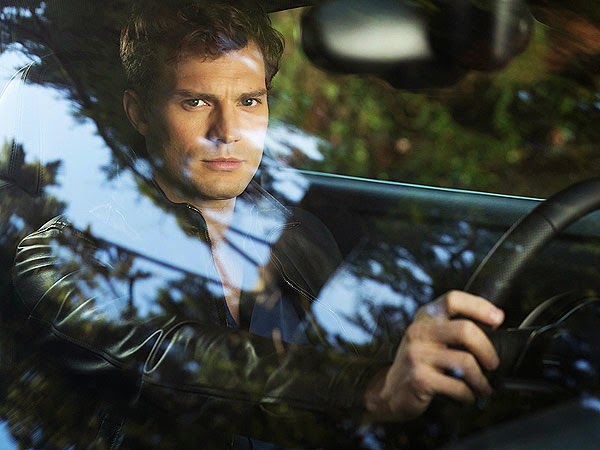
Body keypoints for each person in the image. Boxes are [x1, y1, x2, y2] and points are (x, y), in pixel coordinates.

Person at [11, 0, 504, 448]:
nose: (228, 132)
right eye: (196, 101)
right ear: (139, 113)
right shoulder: (62, 258)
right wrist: (368, 388)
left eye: (249, 101)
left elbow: (372, 356)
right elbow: (173, 360)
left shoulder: (299, 235)